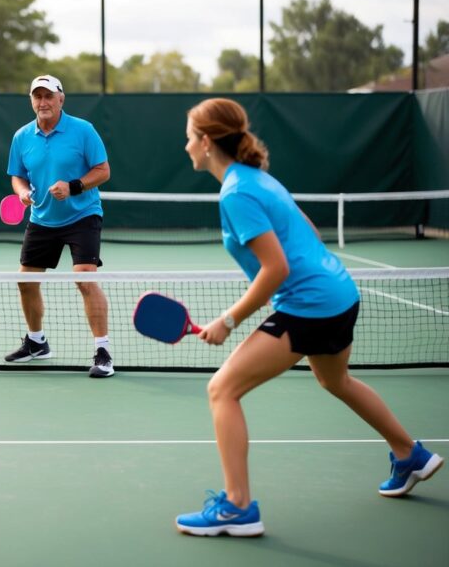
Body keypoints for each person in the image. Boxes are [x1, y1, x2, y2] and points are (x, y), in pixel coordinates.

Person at [175, 98, 443, 537]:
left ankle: (237, 507)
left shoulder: (236, 192)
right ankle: (409, 453)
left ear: (206, 142)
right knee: (335, 380)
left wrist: (230, 319)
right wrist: (284, 289)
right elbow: (307, 233)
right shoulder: (257, 179)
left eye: (189, 137)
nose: (185, 146)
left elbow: (276, 268)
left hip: (311, 306)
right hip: (340, 293)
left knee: (222, 390)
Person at [3, 75, 114, 378]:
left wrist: (74, 186)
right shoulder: (22, 137)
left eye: (48, 96)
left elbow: (103, 170)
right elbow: (17, 175)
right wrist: (22, 192)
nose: (43, 102)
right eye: (37, 97)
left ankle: (103, 352)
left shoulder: (83, 131)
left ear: (61, 99)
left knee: (84, 280)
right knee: (25, 282)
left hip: (82, 216)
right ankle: (37, 342)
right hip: (42, 218)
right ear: (32, 101)